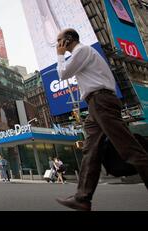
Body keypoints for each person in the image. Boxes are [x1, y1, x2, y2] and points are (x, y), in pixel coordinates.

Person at [55, 29, 148, 211]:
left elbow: (63, 74)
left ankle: (82, 197)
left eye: (59, 41)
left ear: (68, 40)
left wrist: (59, 56)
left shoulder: (81, 50)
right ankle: (82, 198)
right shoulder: (83, 53)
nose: (57, 45)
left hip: (100, 100)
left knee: (129, 148)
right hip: (95, 103)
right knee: (90, 151)